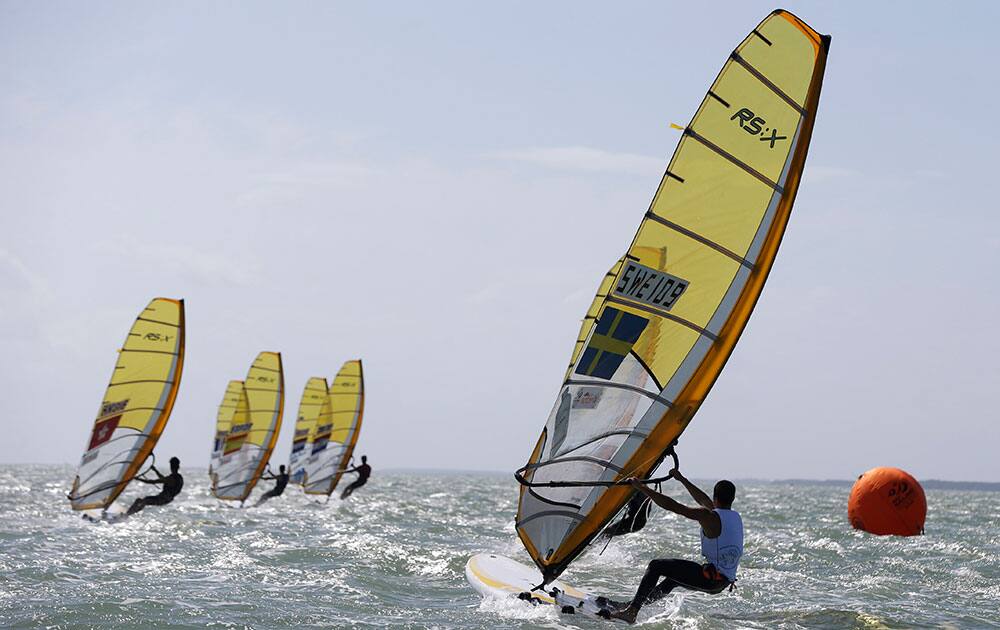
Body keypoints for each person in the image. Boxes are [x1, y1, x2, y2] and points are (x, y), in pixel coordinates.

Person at [608, 468, 743, 624]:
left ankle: (631, 612)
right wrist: (681, 479)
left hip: (711, 579)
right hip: (722, 582)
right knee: (672, 580)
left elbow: (674, 506)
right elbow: (703, 500)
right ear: (732, 498)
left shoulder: (709, 516)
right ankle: (632, 605)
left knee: (656, 566)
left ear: (715, 498)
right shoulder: (734, 516)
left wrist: (642, 488)